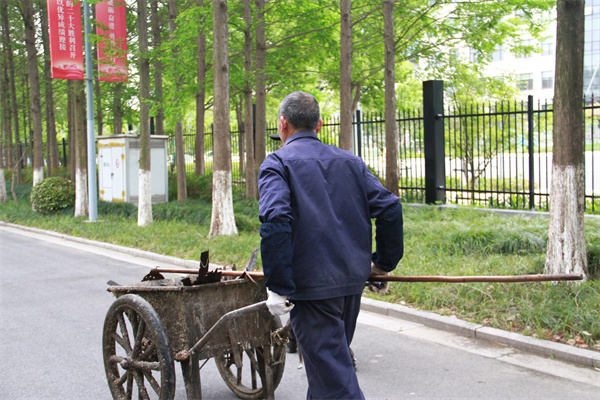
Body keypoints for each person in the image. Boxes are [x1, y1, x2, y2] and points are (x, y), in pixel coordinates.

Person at [258, 91, 404, 400]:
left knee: (335, 386)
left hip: (312, 289)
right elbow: (390, 207)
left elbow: (275, 221)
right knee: (326, 375)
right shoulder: (349, 161)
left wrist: (278, 286)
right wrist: (382, 265)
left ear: (282, 125)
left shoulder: (277, 163)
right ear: (319, 125)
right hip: (351, 284)